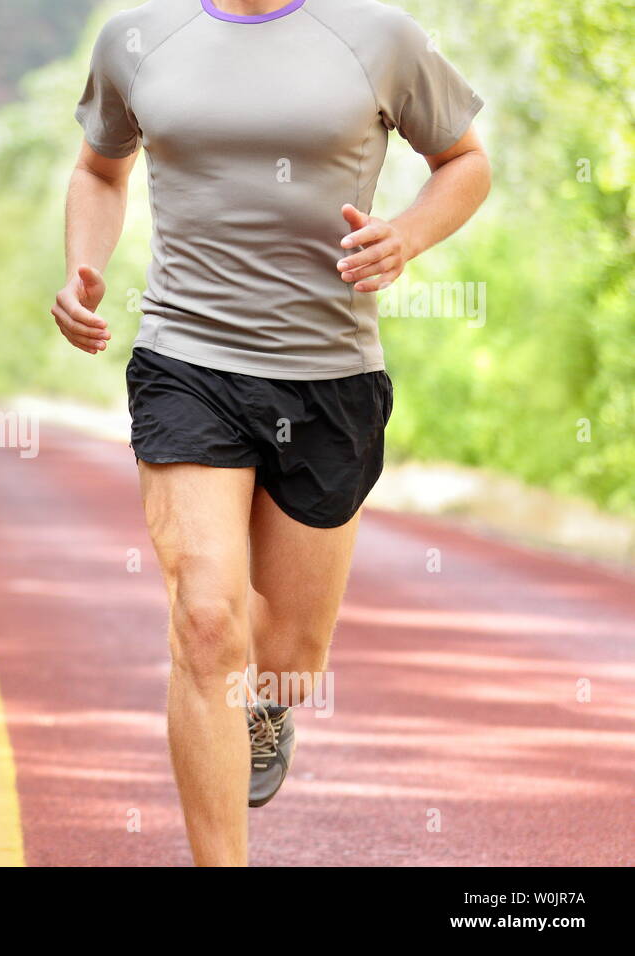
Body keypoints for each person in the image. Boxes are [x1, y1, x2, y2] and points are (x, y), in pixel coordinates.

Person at [54, 0, 490, 865]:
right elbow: (101, 171)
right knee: (208, 621)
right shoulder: (137, 40)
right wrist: (83, 264)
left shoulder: (380, 36)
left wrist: (406, 235)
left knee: (288, 656)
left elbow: (464, 163)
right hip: (186, 360)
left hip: (330, 375)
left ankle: (268, 706)